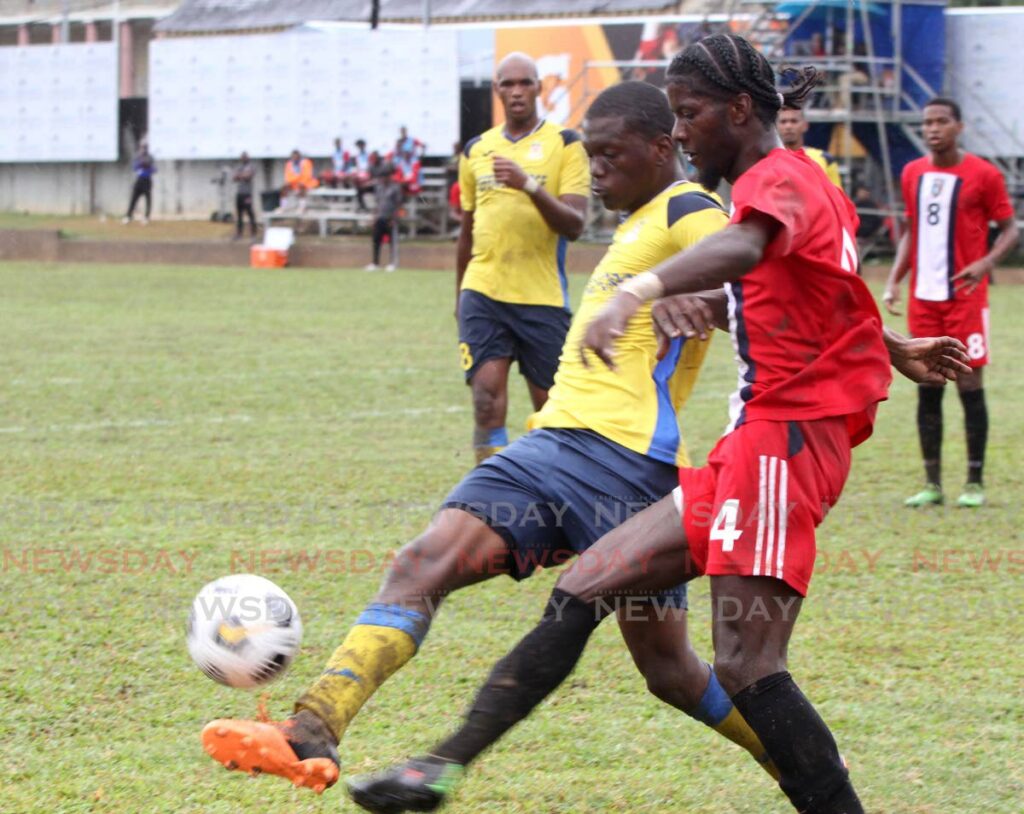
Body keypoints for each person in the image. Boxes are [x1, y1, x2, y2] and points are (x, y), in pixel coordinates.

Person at [344, 35, 972, 814]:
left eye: (691, 115)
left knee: (748, 666)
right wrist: (898, 344)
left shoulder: (777, 179)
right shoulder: (797, 186)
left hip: (787, 445)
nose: (681, 134)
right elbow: (824, 290)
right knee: (583, 583)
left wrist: (633, 292)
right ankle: (436, 769)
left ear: (741, 110)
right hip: (749, 451)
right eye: (674, 117)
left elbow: (745, 247)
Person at [199, 80, 788, 798]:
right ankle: (313, 728)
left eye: (609, 154)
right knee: (424, 561)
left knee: (669, 671)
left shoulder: (691, 207)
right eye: (589, 155)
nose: (595, 169)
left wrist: (711, 299)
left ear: (663, 147)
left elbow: (767, 277)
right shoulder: (636, 225)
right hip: (553, 449)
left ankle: (802, 761)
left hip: (630, 468)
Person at [883, 98, 1018, 508]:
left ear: (959, 126)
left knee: (970, 382)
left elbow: (1011, 229)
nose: (932, 129)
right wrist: (893, 280)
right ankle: (933, 484)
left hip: (966, 300)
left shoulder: (984, 174)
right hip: (925, 300)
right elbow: (910, 231)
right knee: (928, 381)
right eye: (927, 122)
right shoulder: (912, 173)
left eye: (941, 121)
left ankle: (974, 482)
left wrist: (987, 262)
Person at [457, 52, 590, 464]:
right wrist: (458, 299)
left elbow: (575, 224)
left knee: (550, 409)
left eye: (524, 83)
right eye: (507, 84)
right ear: (497, 91)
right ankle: (487, 497)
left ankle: (558, 490)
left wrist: (528, 185)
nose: (516, 91)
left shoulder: (566, 144)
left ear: (539, 88)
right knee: (485, 399)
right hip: (483, 292)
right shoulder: (476, 150)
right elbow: (467, 230)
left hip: (541, 296)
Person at [776, 105, 842, 187]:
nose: (788, 126)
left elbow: (837, 195)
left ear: (805, 126)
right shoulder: (767, 160)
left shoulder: (824, 159)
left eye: (794, 121)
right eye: (783, 122)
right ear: (776, 127)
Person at [365, 163, 403, 272]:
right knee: (376, 240)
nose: (382, 179)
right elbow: (377, 203)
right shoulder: (379, 188)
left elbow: (398, 204)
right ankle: (375, 263)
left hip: (390, 217)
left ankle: (392, 263)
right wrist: (374, 217)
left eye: (384, 176)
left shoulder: (395, 188)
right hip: (380, 217)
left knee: (392, 242)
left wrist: (394, 218)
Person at [123, 142, 156, 224]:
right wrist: (140, 164)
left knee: (148, 200)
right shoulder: (138, 156)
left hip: (147, 181)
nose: (143, 149)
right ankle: (128, 216)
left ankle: (146, 217)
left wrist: (148, 167)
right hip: (139, 180)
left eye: (145, 147)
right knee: (133, 199)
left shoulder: (150, 157)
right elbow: (134, 168)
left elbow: (155, 169)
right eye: (142, 147)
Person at [232, 151, 257, 240]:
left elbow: (248, 177)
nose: (243, 159)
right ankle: (239, 233)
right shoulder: (239, 167)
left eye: (245, 157)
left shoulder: (251, 166)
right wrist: (241, 175)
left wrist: (240, 176)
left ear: (248, 158)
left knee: (250, 213)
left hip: (247, 194)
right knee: (239, 214)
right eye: (242, 157)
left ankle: (253, 233)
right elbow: (234, 178)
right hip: (239, 193)